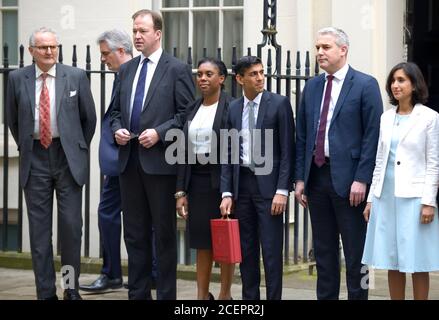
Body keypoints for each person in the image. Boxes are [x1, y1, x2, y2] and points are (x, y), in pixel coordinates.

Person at [6, 27, 97, 300]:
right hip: (34, 157)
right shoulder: (16, 78)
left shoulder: (76, 76)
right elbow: (13, 119)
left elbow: (88, 120)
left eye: (53, 47)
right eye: (43, 47)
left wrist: (74, 148)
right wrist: (28, 146)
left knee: (70, 229)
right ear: (31, 50)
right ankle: (45, 292)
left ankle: (70, 288)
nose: (49, 52)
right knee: (39, 233)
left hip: (67, 159)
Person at [110, 9, 194, 300]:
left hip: (160, 165)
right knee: (134, 234)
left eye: (143, 31)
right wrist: (118, 129)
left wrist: (159, 132)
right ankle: (138, 294)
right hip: (129, 162)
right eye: (134, 30)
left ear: (157, 34)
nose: (136, 36)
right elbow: (115, 113)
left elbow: (186, 115)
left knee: (165, 235)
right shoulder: (126, 69)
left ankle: (166, 296)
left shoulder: (177, 69)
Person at [295, 27, 383, 300]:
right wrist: (300, 179)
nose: (319, 52)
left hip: (351, 182)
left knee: (358, 254)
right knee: (324, 252)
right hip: (317, 178)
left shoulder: (365, 84)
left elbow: (373, 135)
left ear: (343, 50)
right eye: (317, 47)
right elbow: (302, 135)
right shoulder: (312, 86)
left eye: (326, 47)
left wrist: (362, 178)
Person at [220, 56, 295, 300]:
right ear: (240, 79)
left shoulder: (279, 104)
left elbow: (287, 151)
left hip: (270, 188)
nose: (260, 77)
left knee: (272, 253)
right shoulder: (232, 108)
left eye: (262, 72)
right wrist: (227, 192)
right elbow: (227, 153)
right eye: (253, 74)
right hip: (242, 187)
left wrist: (282, 190)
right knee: (247, 252)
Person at [362, 62, 439, 300]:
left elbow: (433, 162)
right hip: (385, 197)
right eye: (393, 80)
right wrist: (371, 199)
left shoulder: (429, 117)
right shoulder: (386, 118)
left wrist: (429, 202)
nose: (396, 85)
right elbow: (380, 160)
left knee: (417, 260)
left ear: (414, 84)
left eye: (402, 80)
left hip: (414, 198)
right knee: (391, 257)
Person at [175, 58, 234, 300]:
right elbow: (182, 151)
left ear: (221, 79)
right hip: (196, 182)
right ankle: (201, 297)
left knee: (224, 241)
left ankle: (224, 295)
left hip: (222, 182)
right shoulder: (192, 108)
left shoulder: (232, 107)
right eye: (199, 74)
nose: (203, 78)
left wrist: (228, 190)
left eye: (209, 74)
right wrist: (180, 191)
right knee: (202, 242)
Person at [79, 29, 133, 293]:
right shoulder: (121, 76)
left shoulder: (134, 73)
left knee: (143, 220)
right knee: (108, 214)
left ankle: (148, 272)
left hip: (138, 160)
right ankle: (112, 273)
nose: (103, 59)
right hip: (117, 163)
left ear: (121, 51)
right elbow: (115, 114)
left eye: (105, 53)